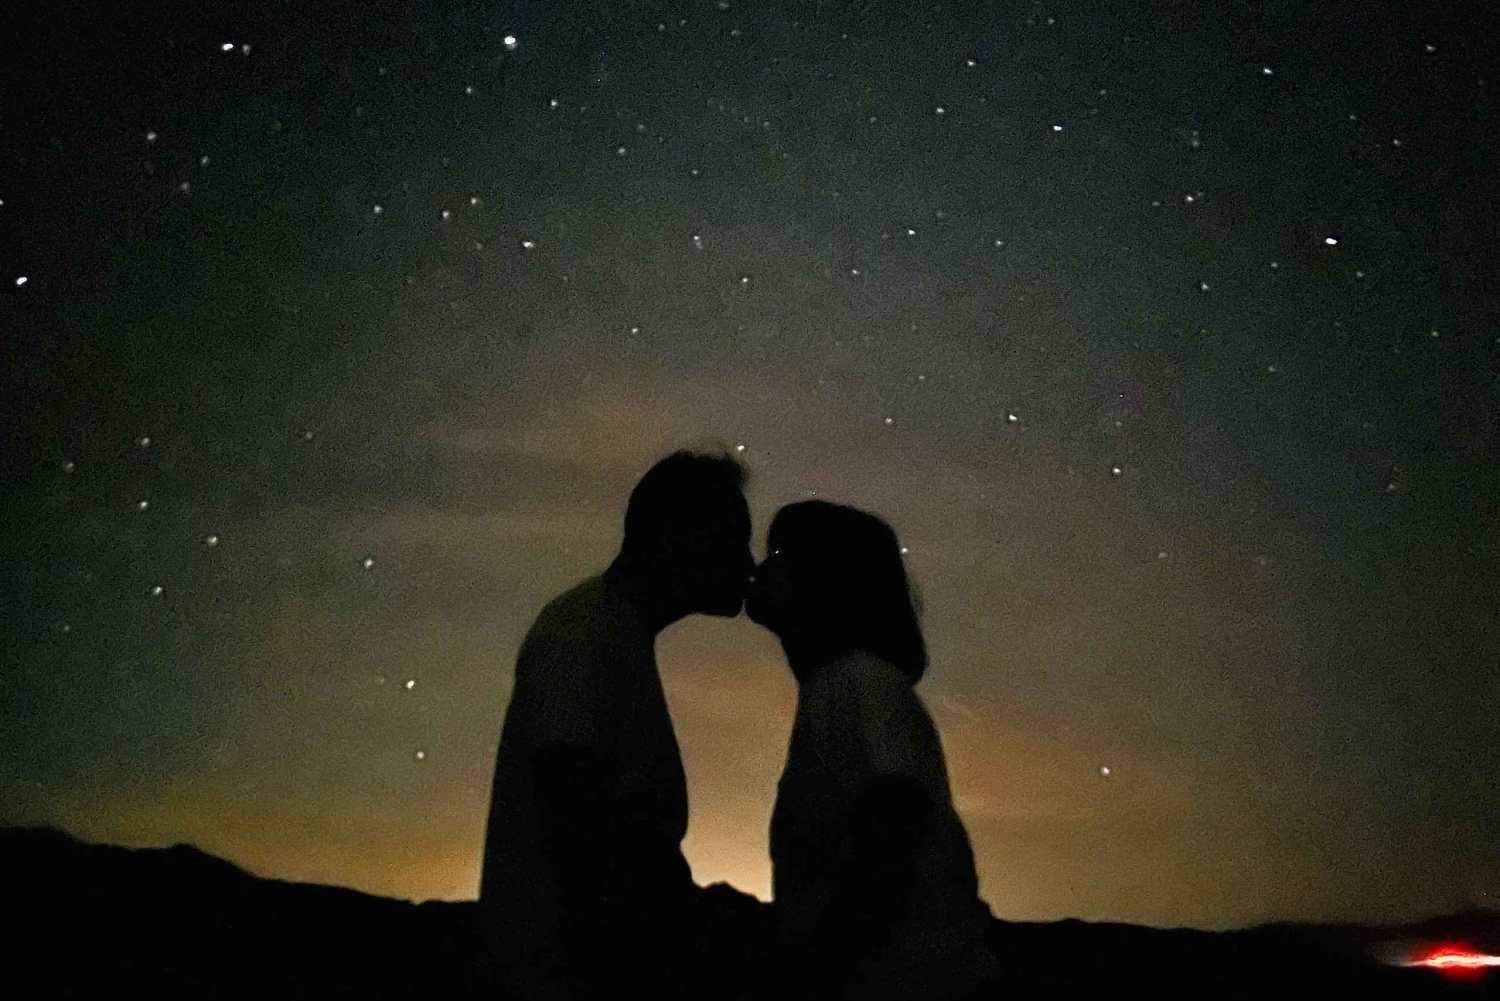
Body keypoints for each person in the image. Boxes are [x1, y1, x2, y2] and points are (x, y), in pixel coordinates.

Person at [475, 447, 755, 1000]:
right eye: (732, 538)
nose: (747, 563)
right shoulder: (585, 631)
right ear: (679, 535)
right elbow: (577, 818)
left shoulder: (612, 633)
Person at [746, 500, 1003, 1001]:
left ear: (825, 580)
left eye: (778, 555)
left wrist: (828, 960)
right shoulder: (841, 687)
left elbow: (897, 815)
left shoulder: (859, 684)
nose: (760, 568)